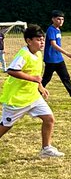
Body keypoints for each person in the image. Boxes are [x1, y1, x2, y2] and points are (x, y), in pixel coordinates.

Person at [0, 25, 64, 158]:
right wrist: (33, 78)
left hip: (33, 97)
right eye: (38, 39)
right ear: (29, 41)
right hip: (17, 99)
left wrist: (40, 86)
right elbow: (11, 70)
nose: (42, 42)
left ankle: (46, 149)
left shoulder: (38, 54)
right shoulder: (23, 54)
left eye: (43, 39)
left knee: (49, 118)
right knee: (5, 126)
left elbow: (35, 74)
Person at [42, 12, 71, 100]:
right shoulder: (51, 29)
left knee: (66, 77)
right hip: (51, 59)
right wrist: (67, 53)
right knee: (46, 79)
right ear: (53, 19)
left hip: (58, 59)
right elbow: (53, 44)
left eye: (62, 19)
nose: (61, 21)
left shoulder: (58, 30)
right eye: (58, 19)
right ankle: (35, 93)